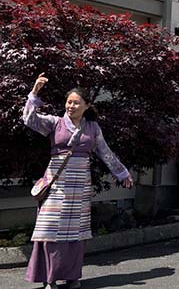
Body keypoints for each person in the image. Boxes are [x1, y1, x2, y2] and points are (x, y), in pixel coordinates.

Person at [22, 73, 134, 289]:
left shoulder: (93, 128)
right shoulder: (54, 123)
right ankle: (49, 278)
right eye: (68, 102)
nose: (70, 106)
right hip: (56, 184)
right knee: (49, 229)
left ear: (86, 105)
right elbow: (29, 119)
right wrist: (34, 92)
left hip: (80, 185)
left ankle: (72, 276)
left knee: (76, 232)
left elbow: (105, 152)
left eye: (75, 103)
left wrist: (122, 173)